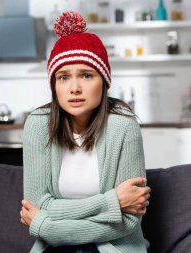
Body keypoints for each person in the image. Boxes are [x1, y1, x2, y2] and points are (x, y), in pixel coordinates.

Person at [20, 11, 151, 253]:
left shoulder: (123, 125)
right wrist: (113, 201)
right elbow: (37, 204)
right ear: (54, 85)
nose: (75, 88)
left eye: (87, 75)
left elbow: (129, 221)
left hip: (115, 247)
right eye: (63, 77)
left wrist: (46, 226)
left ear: (104, 80)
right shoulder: (38, 124)